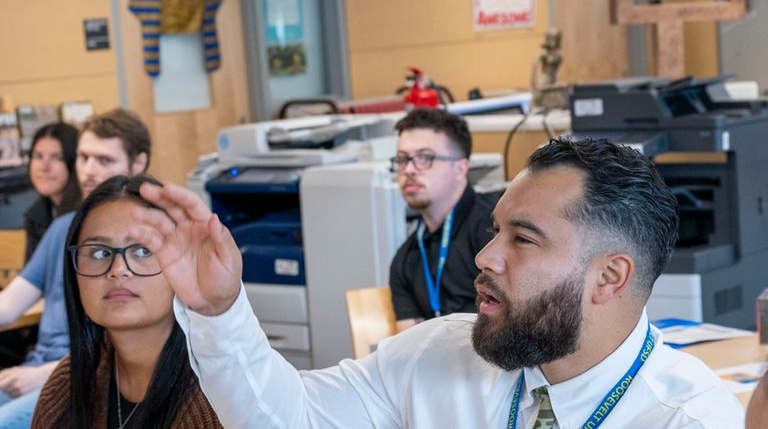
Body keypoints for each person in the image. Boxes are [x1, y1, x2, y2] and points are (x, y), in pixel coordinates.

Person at [133, 137, 744, 428]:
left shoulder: (685, 418)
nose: (484, 255)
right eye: (494, 229)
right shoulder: (440, 353)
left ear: (609, 277)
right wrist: (218, 310)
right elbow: (289, 419)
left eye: (522, 239)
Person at [30, 175, 222, 428]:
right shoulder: (68, 383)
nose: (118, 269)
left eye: (143, 250)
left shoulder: (216, 397)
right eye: (99, 252)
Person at [0, 109, 151, 428]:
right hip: (36, 372)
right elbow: (8, 305)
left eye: (104, 160)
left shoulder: (149, 237)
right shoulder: (62, 228)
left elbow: (140, 347)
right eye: (83, 157)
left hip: (88, 379)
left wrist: (47, 374)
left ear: (137, 164)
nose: (89, 170)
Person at [389, 108, 496, 332]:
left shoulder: (495, 232)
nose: (408, 169)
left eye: (424, 158)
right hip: (438, 364)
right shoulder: (406, 259)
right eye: (402, 159)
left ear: (460, 168)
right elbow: (408, 347)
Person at [24, 123, 81, 261]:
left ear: (74, 163)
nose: (44, 166)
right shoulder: (36, 214)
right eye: (38, 156)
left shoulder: (82, 215)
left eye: (57, 157)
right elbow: (31, 277)